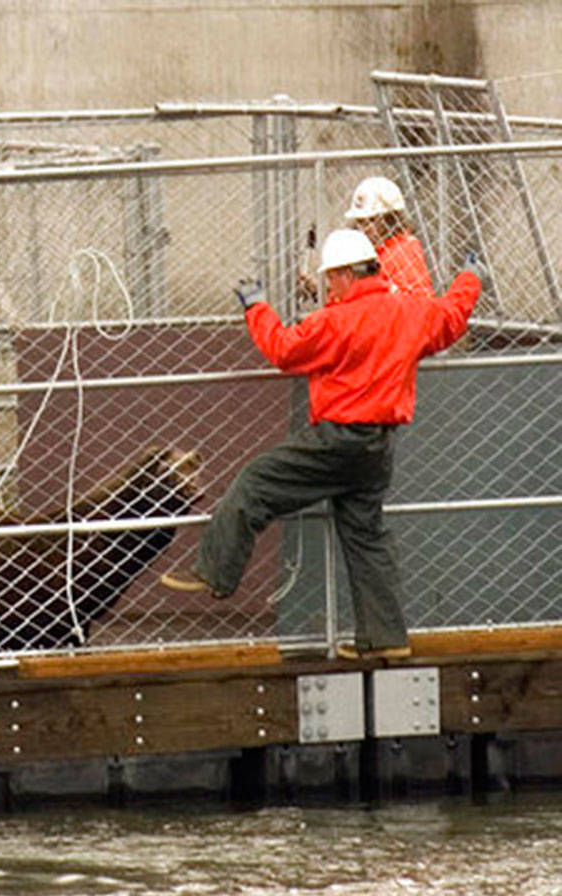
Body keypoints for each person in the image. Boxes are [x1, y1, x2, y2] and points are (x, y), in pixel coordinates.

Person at [160, 229, 484, 660]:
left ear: (348, 275)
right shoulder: (409, 312)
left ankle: (217, 570)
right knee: (366, 536)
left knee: (256, 482)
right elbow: (451, 317)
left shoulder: (334, 322)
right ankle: (385, 638)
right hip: (378, 447)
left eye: (332, 278)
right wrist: (470, 278)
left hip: (337, 440)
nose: (329, 286)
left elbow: (283, 350)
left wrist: (257, 307)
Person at [345, 176, 434, 298]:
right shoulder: (373, 252)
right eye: (360, 222)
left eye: (372, 220)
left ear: (390, 218)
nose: (365, 229)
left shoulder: (403, 250)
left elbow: (417, 301)